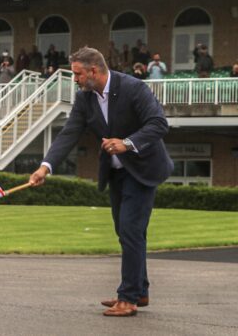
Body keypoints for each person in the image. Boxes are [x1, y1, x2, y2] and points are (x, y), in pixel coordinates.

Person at [29, 47, 173, 317]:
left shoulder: (133, 88)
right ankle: (139, 290)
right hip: (116, 173)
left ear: (93, 71)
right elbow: (69, 132)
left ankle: (128, 298)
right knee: (126, 232)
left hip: (143, 170)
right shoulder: (85, 98)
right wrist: (44, 167)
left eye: (77, 74)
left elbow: (159, 124)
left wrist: (127, 143)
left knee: (130, 231)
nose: (75, 79)